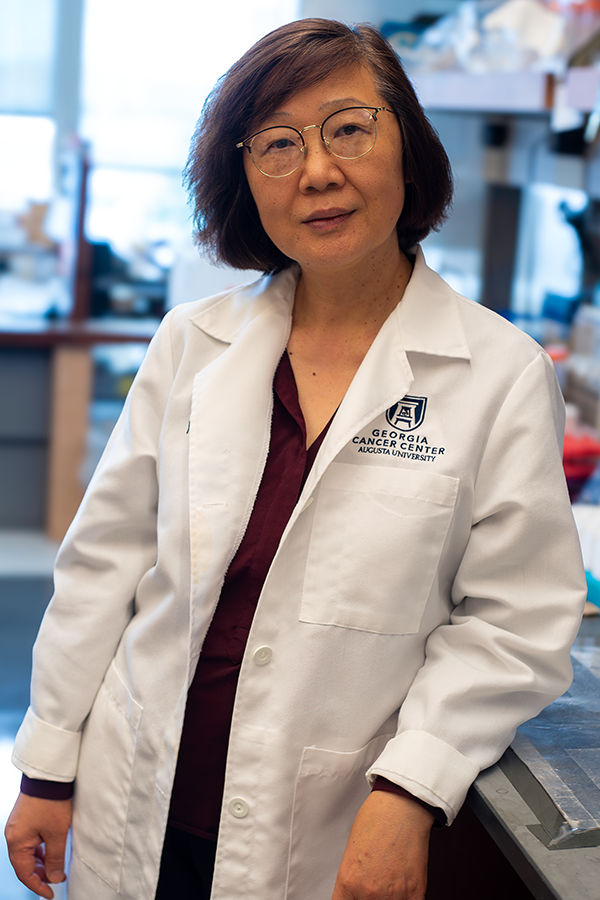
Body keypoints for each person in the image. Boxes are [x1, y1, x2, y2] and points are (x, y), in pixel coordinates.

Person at [5, 18, 586, 900]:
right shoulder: (192, 344)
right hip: (140, 803)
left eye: (347, 128)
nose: (316, 170)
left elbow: (512, 622)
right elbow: (105, 566)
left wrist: (411, 787)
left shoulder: (497, 375)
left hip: (322, 827)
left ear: (407, 144)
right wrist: (48, 762)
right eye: (276, 144)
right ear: (245, 180)